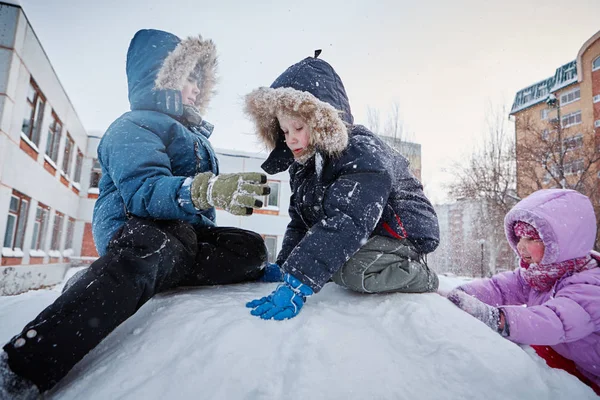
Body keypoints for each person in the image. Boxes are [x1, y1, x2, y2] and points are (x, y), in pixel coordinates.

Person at [0, 29, 270, 398]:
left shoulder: (198, 138)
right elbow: (144, 191)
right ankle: (22, 365)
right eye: (187, 78)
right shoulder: (133, 126)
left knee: (248, 247)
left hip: (183, 239)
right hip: (137, 228)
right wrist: (202, 189)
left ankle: (140, 279)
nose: (194, 89)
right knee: (154, 246)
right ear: (162, 77)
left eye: (198, 81)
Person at [243, 52, 440, 321]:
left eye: (298, 127)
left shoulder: (361, 152)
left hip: (402, 233)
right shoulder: (304, 166)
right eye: (284, 132)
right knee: (336, 265)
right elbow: (301, 223)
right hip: (367, 233)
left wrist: (298, 282)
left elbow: (348, 219)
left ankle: (421, 275)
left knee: (352, 271)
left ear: (321, 120)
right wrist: (286, 265)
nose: (290, 139)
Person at [446, 189, 600, 395]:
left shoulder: (590, 286)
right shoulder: (540, 274)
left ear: (562, 243)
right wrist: (458, 295)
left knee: (525, 342)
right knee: (518, 352)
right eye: (519, 238)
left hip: (594, 376)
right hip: (569, 358)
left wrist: (497, 318)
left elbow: (554, 321)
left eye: (530, 239)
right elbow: (499, 288)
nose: (521, 247)